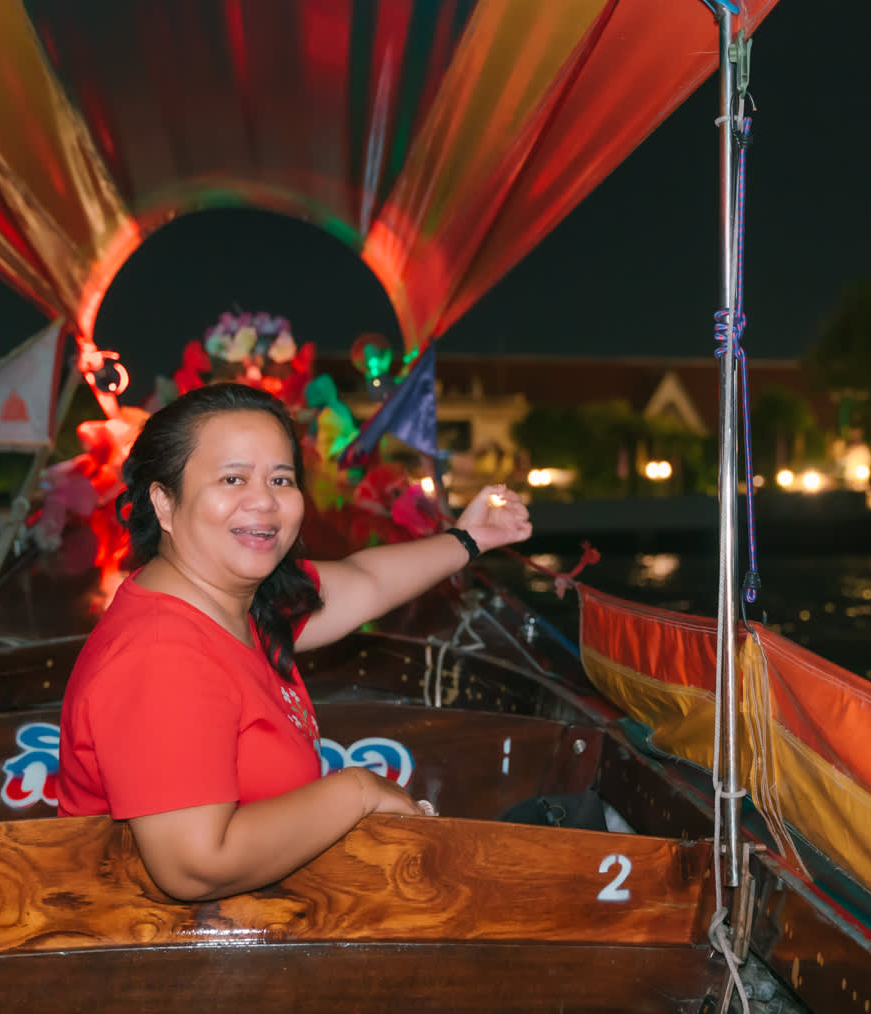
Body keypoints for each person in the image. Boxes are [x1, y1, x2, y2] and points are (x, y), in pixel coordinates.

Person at [56, 382, 531, 901]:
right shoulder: (162, 654)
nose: (264, 500)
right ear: (164, 504)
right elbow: (194, 867)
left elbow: (364, 582)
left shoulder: (239, 604)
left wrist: (470, 539)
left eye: (280, 479)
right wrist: (359, 791)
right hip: (149, 942)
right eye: (233, 478)